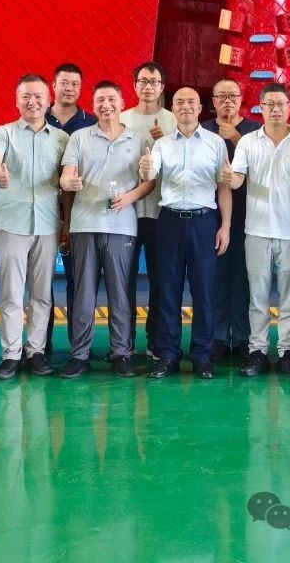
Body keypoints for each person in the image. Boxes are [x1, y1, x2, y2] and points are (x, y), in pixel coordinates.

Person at [59, 81, 155, 378]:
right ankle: (79, 354)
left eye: (112, 99)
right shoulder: (79, 137)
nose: (106, 105)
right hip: (84, 224)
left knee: (120, 293)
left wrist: (129, 197)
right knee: (83, 293)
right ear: (93, 104)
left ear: (122, 103)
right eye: (100, 100)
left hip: (122, 226)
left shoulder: (138, 138)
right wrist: (69, 182)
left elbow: (149, 181)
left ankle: (121, 353)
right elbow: (66, 176)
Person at [229, 83, 290, 378]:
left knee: (289, 296)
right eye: (269, 104)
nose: (275, 109)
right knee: (257, 296)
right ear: (261, 108)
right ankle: (257, 351)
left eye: (280, 103)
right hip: (256, 230)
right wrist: (228, 176)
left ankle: (288, 353)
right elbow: (237, 179)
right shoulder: (248, 142)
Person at [141, 88, 232, 379]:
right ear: (173, 109)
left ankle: (202, 355)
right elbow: (150, 175)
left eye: (191, 101)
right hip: (169, 222)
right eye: (179, 102)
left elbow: (224, 186)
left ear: (200, 108)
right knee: (168, 289)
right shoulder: (162, 144)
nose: (185, 106)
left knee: (204, 290)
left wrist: (225, 226)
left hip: (204, 222)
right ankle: (168, 354)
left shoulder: (215, 143)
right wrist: (146, 168)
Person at [0, 74, 69, 380]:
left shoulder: (62, 139)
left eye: (38, 97)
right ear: (16, 101)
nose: (32, 102)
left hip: (47, 224)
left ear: (48, 101)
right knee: (11, 293)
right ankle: (11, 354)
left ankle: (35, 351)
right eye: (25, 97)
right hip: (12, 223)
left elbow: (66, 179)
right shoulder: (3, 133)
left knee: (42, 294)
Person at [118, 62, 176, 360]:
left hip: (159, 213)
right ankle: (123, 342)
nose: (148, 86)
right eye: (143, 81)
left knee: (160, 280)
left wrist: (164, 140)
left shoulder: (172, 120)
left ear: (162, 87)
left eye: (154, 81)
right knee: (123, 281)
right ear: (135, 85)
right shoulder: (121, 118)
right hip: (125, 212)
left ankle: (156, 340)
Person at [202, 78, 260, 361]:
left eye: (232, 96)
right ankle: (218, 337)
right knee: (216, 278)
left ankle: (244, 337)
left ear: (241, 100)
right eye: (221, 96)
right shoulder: (202, 130)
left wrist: (236, 138)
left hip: (249, 216)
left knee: (244, 278)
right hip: (210, 216)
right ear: (213, 101)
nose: (227, 101)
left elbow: (263, 167)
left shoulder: (254, 131)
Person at [45, 62, 98, 358]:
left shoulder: (91, 124)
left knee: (79, 282)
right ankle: (40, 345)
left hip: (78, 214)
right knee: (40, 283)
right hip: (42, 212)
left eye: (75, 84)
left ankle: (79, 346)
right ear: (54, 85)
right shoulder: (38, 118)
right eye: (64, 82)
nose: (69, 88)